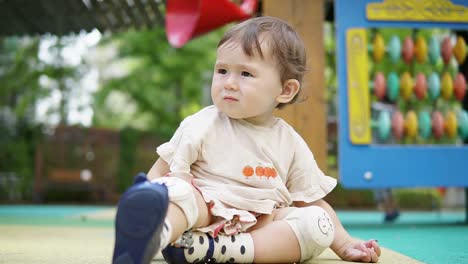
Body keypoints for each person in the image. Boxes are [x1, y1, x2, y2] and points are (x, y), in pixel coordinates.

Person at [112, 16, 381, 264]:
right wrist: (150, 195)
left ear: (285, 90)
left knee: (318, 224)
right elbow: (162, 168)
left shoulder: (290, 142)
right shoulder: (201, 124)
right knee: (176, 191)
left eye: (245, 74)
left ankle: (213, 250)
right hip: (204, 209)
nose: (229, 82)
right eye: (222, 71)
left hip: (262, 226)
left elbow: (311, 201)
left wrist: (344, 243)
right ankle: (153, 236)